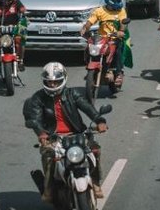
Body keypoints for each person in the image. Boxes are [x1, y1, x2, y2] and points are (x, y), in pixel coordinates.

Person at [22, 62, 109, 202]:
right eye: (49, 82)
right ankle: (49, 189)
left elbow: (87, 107)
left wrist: (100, 121)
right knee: (49, 156)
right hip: (53, 138)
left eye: (56, 82)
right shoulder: (38, 98)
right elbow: (35, 119)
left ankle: (96, 181)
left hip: (78, 134)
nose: (52, 85)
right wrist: (41, 133)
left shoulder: (72, 93)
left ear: (63, 80)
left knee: (95, 150)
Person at [80, 0, 128, 88]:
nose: (119, 3)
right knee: (88, 48)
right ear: (109, 0)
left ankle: (118, 72)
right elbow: (90, 22)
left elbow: (123, 24)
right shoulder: (99, 11)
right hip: (101, 38)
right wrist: (85, 29)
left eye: (120, 0)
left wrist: (120, 32)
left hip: (114, 39)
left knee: (118, 50)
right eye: (117, 0)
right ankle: (90, 67)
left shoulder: (121, 11)